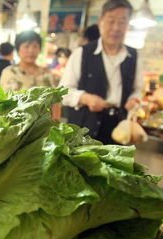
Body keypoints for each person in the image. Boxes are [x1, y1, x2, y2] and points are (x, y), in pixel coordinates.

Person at [60, 0, 143, 144]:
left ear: (128, 26)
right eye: (111, 21)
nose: (116, 28)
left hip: (118, 128)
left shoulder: (134, 56)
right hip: (84, 128)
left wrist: (134, 99)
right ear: (100, 22)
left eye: (122, 22)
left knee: (113, 165)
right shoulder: (82, 53)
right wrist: (86, 98)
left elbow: (138, 89)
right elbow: (63, 92)